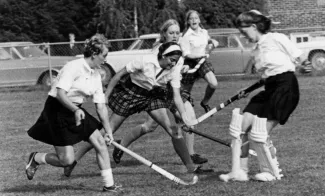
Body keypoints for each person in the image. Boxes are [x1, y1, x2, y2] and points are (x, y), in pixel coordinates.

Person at [25, 35, 122, 193]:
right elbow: (60, 94)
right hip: (57, 110)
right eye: (104, 56)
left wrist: (109, 131)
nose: (105, 60)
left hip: (76, 109)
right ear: (94, 54)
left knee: (100, 142)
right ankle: (36, 158)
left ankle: (109, 186)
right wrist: (76, 110)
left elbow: (101, 106)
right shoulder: (73, 67)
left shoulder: (96, 74)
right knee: (67, 160)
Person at [219, 10, 302, 182]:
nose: (243, 37)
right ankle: (239, 171)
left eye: (243, 32)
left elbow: (297, 59)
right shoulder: (256, 50)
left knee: (259, 133)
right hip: (270, 88)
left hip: (285, 88)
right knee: (240, 127)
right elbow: (266, 77)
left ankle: (271, 171)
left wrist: (305, 64)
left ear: (254, 26)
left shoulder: (276, 39)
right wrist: (248, 89)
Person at [112, 19, 209, 165]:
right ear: (164, 34)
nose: (175, 35)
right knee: (150, 126)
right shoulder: (159, 50)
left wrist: (180, 69)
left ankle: (190, 154)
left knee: (187, 117)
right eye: (171, 33)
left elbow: (175, 68)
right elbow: (155, 76)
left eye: (177, 33)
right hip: (158, 92)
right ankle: (122, 145)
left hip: (173, 88)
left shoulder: (179, 47)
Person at [179, 10, 219, 113]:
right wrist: (201, 55)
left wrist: (212, 43)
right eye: (191, 19)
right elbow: (187, 54)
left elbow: (209, 41)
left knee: (213, 84)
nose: (194, 20)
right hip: (190, 63)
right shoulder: (185, 36)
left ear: (199, 20)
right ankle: (184, 113)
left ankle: (205, 102)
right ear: (188, 21)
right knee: (184, 94)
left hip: (202, 62)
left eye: (196, 18)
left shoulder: (204, 32)